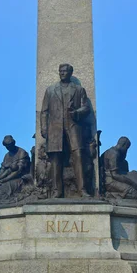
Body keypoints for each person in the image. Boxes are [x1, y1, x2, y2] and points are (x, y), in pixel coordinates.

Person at [40, 63, 91, 198]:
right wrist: (44, 128)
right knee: (55, 159)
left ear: (70, 73)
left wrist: (77, 113)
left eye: (65, 71)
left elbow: (86, 107)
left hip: (73, 126)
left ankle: (82, 189)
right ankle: (57, 191)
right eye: (60, 71)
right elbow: (44, 111)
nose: (62, 73)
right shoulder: (51, 90)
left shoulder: (79, 89)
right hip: (55, 129)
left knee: (78, 156)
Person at [0, 135, 32, 205]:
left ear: (13, 143)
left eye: (9, 145)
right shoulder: (7, 155)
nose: (8, 148)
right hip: (6, 176)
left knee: (0, 192)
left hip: (19, 179)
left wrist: (4, 180)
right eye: (6, 146)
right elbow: (2, 169)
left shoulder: (22, 153)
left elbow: (18, 171)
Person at [101, 136, 137, 201]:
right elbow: (114, 175)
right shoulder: (114, 154)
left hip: (113, 179)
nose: (126, 150)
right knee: (135, 195)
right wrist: (132, 182)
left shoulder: (117, 155)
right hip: (109, 181)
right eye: (126, 148)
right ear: (123, 145)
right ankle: (111, 195)